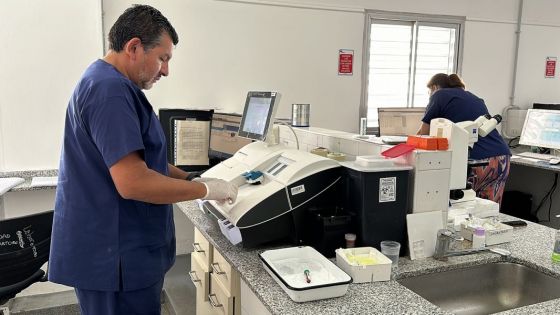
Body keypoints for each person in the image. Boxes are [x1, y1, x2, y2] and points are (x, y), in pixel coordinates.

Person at [48, 5, 237, 315]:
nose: (165, 70)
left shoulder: (109, 84)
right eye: (162, 58)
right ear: (134, 47)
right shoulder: (109, 91)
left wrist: (190, 179)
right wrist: (207, 191)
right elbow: (133, 181)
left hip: (120, 253)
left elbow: (145, 161)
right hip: (115, 261)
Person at [417, 73, 511, 205]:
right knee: (488, 212)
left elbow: (423, 134)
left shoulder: (439, 95)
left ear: (434, 87)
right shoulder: (474, 97)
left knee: (462, 208)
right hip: (501, 159)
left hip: (476, 161)